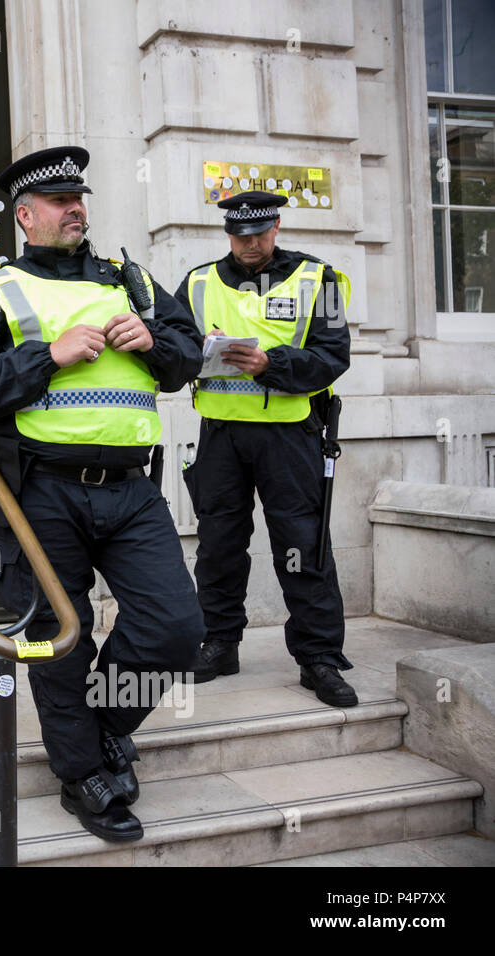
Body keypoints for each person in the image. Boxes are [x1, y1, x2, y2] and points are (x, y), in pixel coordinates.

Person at [0, 146, 205, 843]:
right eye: (58, 201)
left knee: (177, 629)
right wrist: (46, 356)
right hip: (40, 489)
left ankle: (106, 726)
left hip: (133, 489)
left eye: (78, 197)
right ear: (26, 216)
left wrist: (153, 340)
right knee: (60, 638)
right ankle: (82, 772)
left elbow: (185, 359)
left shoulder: (133, 279)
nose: (74, 208)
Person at [174, 190, 356, 708]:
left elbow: (332, 356)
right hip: (221, 435)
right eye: (239, 235)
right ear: (227, 233)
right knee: (219, 544)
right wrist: (197, 349)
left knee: (302, 547)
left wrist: (270, 366)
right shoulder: (198, 282)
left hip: (290, 434)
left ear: (276, 228)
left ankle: (319, 657)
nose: (249, 244)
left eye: (259, 234)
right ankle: (219, 643)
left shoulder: (317, 280)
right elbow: (171, 347)